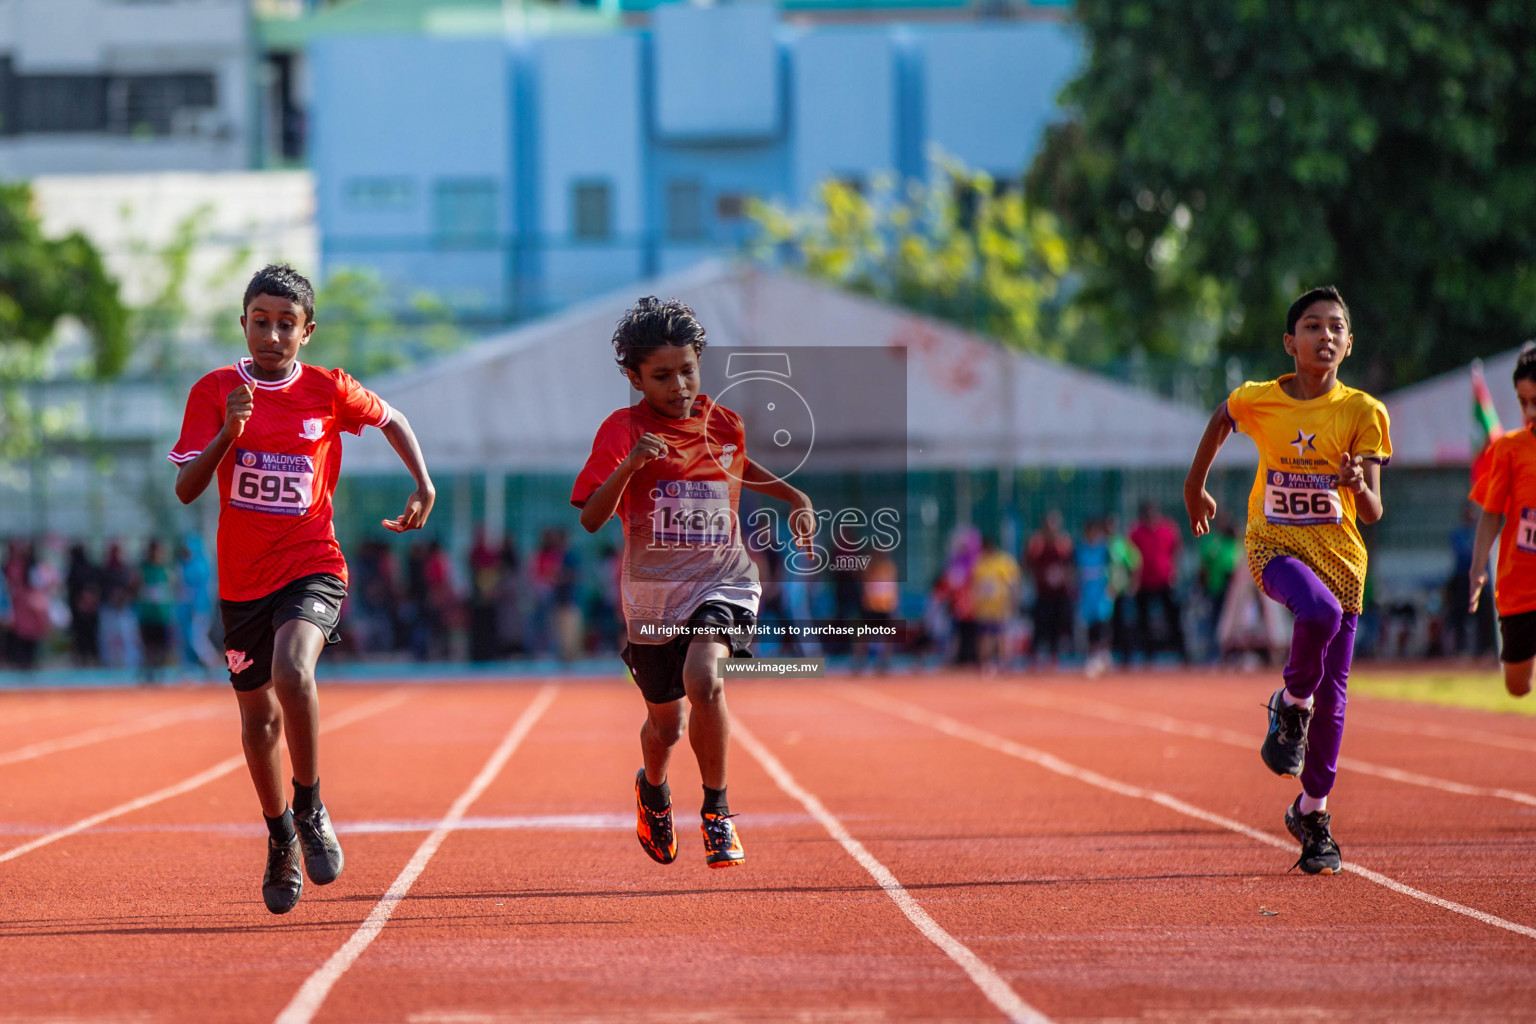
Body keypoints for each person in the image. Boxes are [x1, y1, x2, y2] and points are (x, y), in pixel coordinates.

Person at [168, 264, 435, 914]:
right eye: (261, 321)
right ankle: (280, 834)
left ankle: (311, 806)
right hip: (242, 583)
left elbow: (393, 416)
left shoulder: (327, 391)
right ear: (244, 325)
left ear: (306, 332)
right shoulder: (214, 392)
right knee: (258, 720)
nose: (272, 334)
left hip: (313, 564)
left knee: (294, 670)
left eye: (286, 324)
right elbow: (185, 489)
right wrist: (229, 435)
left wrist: (423, 484)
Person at [572, 296, 813, 869]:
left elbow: (738, 464)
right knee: (667, 725)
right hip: (653, 597)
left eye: (688, 370)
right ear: (634, 377)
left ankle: (717, 811)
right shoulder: (621, 430)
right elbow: (589, 517)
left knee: (705, 679)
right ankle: (653, 788)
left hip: (722, 581)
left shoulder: (724, 422)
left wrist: (794, 495)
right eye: (661, 376)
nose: (678, 385)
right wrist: (631, 464)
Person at [1184, 285, 1390, 876]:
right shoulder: (1260, 400)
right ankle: (1290, 703)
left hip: (1342, 561)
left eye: (1336, 328)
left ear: (1348, 345)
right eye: (1312, 326)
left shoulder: (1362, 413)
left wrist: (1355, 483)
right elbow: (1222, 418)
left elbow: (1374, 511)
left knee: (1336, 699)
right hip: (1275, 548)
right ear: (1289, 342)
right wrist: (1194, 486)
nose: (1324, 335)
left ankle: (1312, 814)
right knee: (1316, 616)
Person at [1469, 342, 1536, 698]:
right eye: (1523, 402)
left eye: (1535, 401)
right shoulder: (1509, 449)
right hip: (1518, 589)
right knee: (1517, 686)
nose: (1529, 411)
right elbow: (1491, 514)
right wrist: (1478, 567)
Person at [1129, 502, 1187, 662]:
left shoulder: (1168, 529)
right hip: (1144, 583)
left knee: (1173, 617)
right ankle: (1148, 653)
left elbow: (1176, 550)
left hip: (1164, 581)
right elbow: (1131, 555)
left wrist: (1175, 571)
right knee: (1143, 621)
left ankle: (1182, 652)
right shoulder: (1136, 532)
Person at [1025, 511, 1074, 664]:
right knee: (1040, 622)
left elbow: (1071, 564)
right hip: (1042, 591)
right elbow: (1028, 562)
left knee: (1058, 622)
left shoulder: (1063, 543)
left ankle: (1054, 653)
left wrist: (1064, 576)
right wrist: (1041, 576)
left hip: (1060, 592)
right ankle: (1035, 654)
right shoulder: (1037, 543)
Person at [970, 536, 1021, 672]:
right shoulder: (979, 563)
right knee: (985, 637)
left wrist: (1013, 602)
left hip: (1000, 607)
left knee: (1002, 635)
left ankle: (1005, 663)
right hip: (984, 608)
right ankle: (986, 664)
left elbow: (1012, 584)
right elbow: (974, 585)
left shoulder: (1004, 562)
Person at [1076, 518, 1114, 677]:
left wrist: (1113, 586)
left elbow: (1114, 568)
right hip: (1087, 594)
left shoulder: (1105, 549)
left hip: (1102, 593)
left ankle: (1104, 655)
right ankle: (1093, 656)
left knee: (1103, 625)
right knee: (1091, 626)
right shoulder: (1080, 549)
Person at [136, 538, 174, 683]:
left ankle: (161, 673)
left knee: (162, 646)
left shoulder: (166, 570)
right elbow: (136, 587)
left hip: (162, 615)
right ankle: (149, 673)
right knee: (149, 646)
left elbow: (172, 589)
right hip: (147, 614)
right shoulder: (143, 569)